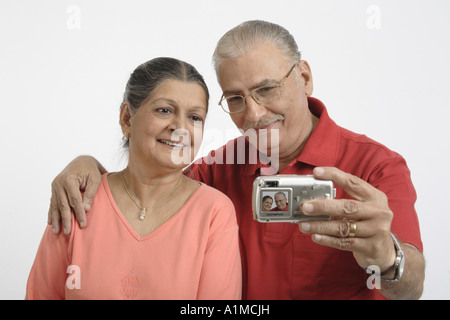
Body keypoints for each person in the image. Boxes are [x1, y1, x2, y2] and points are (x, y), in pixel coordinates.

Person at [45, 21, 425, 300]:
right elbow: (147, 181)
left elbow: (412, 287)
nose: (255, 114)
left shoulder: (377, 166)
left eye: (267, 89)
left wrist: (388, 257)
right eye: (237, 99)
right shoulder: (220, 168)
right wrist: (86, 165)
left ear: (304, 77)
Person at [26, 57, 242, 300]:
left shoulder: (214, 212)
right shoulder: (78, 198)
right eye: (165, 110)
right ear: (127, 118)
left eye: (194, 117)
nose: (180, 128)